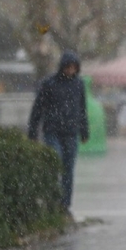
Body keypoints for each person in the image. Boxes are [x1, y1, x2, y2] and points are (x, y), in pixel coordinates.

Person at [27, 51, 89, 211]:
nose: (71, 70)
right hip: (52, 131)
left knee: (68, 169)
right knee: (56, 162)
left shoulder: (79, 84)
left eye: (74, 67)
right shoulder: (49, 84)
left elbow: (82, 109)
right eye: (68, 67)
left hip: (70, 132)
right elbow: (38, 108)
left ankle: (65, 204)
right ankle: (52, 200)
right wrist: (33, 131)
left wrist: (84, 130)